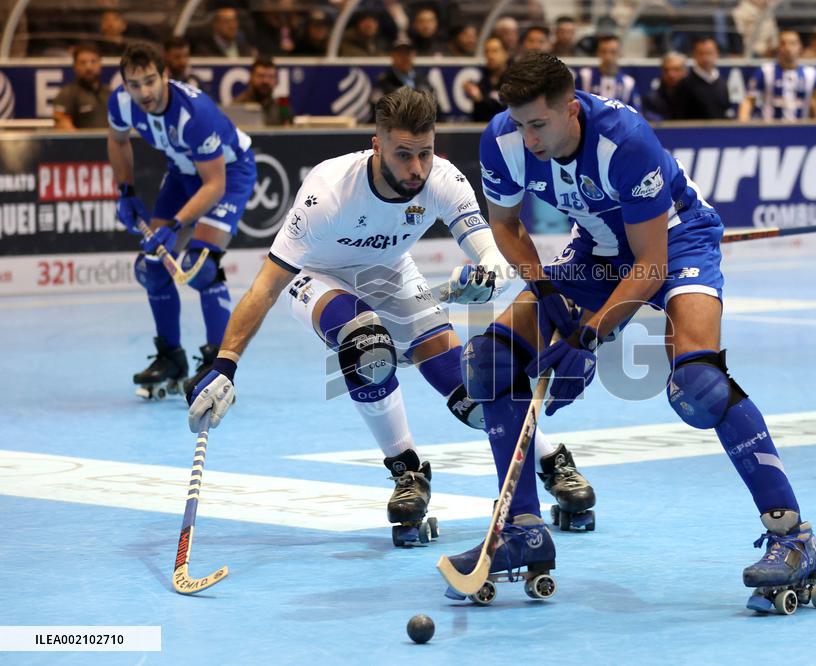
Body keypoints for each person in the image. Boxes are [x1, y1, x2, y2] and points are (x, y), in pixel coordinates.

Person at [443, 53, 816, 611]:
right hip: (596, 250)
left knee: (700, 384)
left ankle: (793, 536)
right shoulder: (502, 140)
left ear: (572, 111)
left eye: (539, 125)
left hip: (676, 241)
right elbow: (505, 224)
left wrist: (587, 338)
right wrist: (550, 297)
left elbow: (649, 265)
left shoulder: (625, 141)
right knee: (490, 362)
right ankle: (521, 530)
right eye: (520, 124)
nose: (527, 139)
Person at [185, 86, 595, 544]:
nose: (417, 168)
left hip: (392, 274)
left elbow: (493, 255)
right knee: (367, 346)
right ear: (376, 145)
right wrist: (226, 364)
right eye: (404, 155)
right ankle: (406, 470)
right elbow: (265, 285)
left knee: (473, 393)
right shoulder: (329, 191)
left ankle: (550, 458)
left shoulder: (442, 179)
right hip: (319, 277)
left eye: (426, 152)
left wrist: (485, 276)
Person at [106, 42, 257, 401]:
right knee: (152, 268)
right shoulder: (122, 101)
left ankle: (217, 365)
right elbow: (117, 140)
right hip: (182, 172)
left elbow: (215, 185)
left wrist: (175, 226)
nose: (142, 92)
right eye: (133, 83)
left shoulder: (194, 114)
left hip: (229, 174)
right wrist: (125, 190)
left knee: (200, 266)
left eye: (149, 81)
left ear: (165, 76)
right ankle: (171, 358)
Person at [738, 30, 816, 121]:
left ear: (800, 47)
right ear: (778, 48)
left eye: (792, 43)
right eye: (783, 43)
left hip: (800, 131)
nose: (788, 48)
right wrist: (743, 126)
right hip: (770, 131)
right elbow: (748, 101)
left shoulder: (810, 74)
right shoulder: (765, 71)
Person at [371, 38, 435, 118]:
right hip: (395, 127)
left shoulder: (423, 78)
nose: (404, 57)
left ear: (414, 55)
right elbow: (377, 110)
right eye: (400, 53)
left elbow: (435, 106)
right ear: (392, 56)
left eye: (407, 53)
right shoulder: (384, 81)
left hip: (422, 127)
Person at [53, 42, 111, 130]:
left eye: (93, 61)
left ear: (100, 64)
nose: (89, 67)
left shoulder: (109, 92)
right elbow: (61, 123)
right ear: (75, 66)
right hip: (80, 143)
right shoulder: (67, 94)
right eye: (83, 63)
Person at [576, 35, 641, 110]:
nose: (608, 57)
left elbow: (636, 113)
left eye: (613, 52)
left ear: (620, 53)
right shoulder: (585, 76)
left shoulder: (628, 83)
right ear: (598, 52)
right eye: (604, 51)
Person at [233, 57, 294, 126]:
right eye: (260, 76)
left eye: (270, 76)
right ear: (251, 77)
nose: (265, 81)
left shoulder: (283, 107)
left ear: (276, 81)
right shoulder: (237, 105)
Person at [680, 37, 731, 120]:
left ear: (716, 54)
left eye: (709, 53)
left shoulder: (722, 82)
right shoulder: (685, 83)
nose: (706, 58)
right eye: (701, 53)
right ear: (694, 55)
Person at [463, 36, 509, 122]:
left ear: (505, 54)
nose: (490, 56)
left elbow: (507, 112)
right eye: (487, 51)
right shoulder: (482, 81)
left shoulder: (514, 81)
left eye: (495, 51)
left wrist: (481, 99)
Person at [641, 52, 688, 121]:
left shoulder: (695, 96)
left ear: (685, 72)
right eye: (666, 70)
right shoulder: (651, 99)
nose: (671, 74)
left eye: (676, 70)